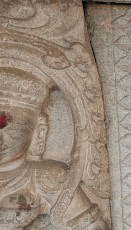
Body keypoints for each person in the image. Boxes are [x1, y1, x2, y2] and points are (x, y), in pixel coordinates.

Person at [0, 70, 107, 229]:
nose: (1, 141)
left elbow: (93, 226)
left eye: (13, 134)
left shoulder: (46, 178)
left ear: (38, 133)